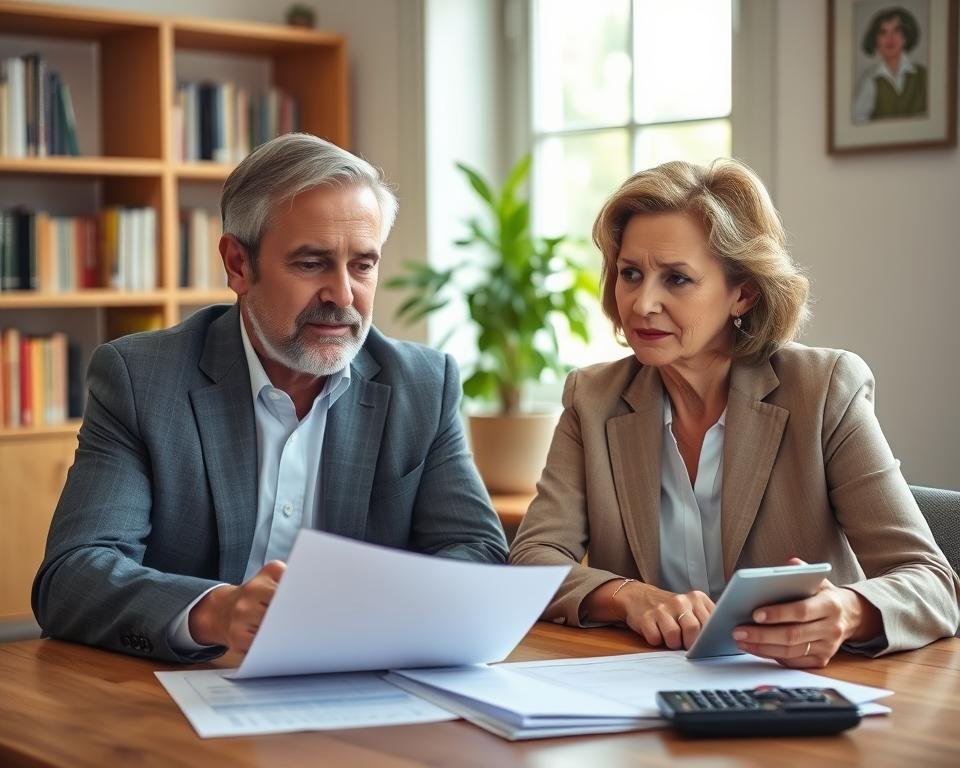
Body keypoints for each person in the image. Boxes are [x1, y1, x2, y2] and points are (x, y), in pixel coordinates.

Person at [33, 133, 508, 662]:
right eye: (311, 263)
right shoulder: (142, 379)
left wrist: (379, 610)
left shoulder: (423, 384)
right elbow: (73, 576)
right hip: (187, 694)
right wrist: (219, 612)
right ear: (238, 264)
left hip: (365, 693)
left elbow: (479, 554)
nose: (343, 296)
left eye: (363, 265)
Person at [509, 158, 959, 668]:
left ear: (742, 294)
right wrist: (630, 596)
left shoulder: (824, 390)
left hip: (803, 691)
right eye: (630, 274)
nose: (642, 304)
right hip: (643, 690)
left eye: (677, 279)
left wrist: (849, 610)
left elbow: (930, 579)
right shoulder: (592, 398)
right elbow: (532, 560)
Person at [853, 6, 927, 122]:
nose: (890, 38)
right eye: (883, 33)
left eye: (896, 31)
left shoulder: (924, 75)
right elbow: (858, 121)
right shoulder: (869, 80)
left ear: (906, 37)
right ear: (876, 41)